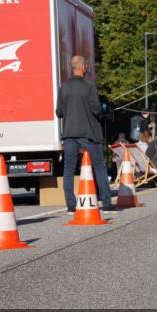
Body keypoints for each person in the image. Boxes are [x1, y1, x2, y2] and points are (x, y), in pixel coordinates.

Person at [56, 55, 114, 214]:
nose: (87, 67)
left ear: (72, 67)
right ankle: (107, 203)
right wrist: (103, 114)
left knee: (68, 169)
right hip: (89, 133)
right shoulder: (89, 86)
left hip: (69, 134)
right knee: (99, 167)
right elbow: (96, 109)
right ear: (83, 67)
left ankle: (71, 206)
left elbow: (59, 112)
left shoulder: (64, 87)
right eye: (86, 65)